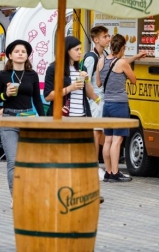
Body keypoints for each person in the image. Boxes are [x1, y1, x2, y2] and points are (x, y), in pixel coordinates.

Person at [0, 39, 45, 198]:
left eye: (23, 52)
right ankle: (16, 197)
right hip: (9, 119)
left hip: (29, 119)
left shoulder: (32, 75)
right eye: (17, 51)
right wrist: (4, 95)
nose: (20, 54)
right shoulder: (2, 75)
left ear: (27, 56)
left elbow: (37, 99)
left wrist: (44, 119)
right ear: (10, 55)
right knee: (13, 161)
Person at [96, 34, 138, 182]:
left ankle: (108, 171)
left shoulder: (100, 61)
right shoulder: (122, 63)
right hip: (119, 105)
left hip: (106, 104)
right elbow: (133, 80)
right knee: (117, 140)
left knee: (107, 139)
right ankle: (115, 172)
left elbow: (99, 83)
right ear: (122, 48)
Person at [43, 36, 99, 118]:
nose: (80, 52)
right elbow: (48, 96)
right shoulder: (54, 68)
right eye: (76, 49)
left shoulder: (82, 68)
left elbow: (90, 94)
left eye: (80, 49)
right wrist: (70, 88)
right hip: (63, 117)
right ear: (67, 50)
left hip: (82, 116)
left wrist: (87, 80)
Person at [83, 25, 111, 176]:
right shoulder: (91, 57)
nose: (108, 39)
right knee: (96, 132)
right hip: (95, 98)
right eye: (105, 36)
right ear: (96, 40)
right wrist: (95, 98)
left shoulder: (104, 54)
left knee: (99, 132)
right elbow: (85, 80)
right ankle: (93, 165)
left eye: (108, 36)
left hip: (101, 97)